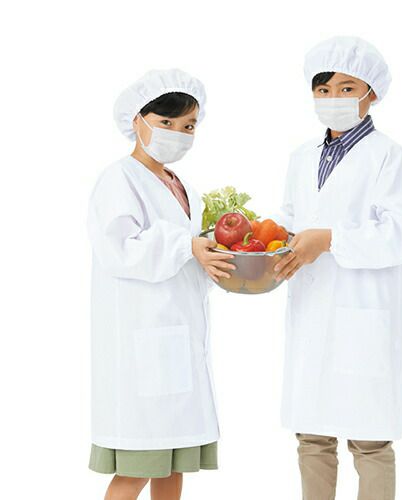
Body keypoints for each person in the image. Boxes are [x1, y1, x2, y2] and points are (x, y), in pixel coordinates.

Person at [272, 37, 402, 500]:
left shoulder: (390, 158)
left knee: (370, 439)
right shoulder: (301, 157)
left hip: (366, 315)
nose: (332, 98)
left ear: (371, 93)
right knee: (312, 436)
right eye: (323, 90)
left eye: (346, 88)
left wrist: (330, 240)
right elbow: (291, 218)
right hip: (313, 310)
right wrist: (272, 244)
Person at [87, 69, 235, 500]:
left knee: (173, 465)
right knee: (137, 467)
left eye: (188, 126)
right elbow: (119, 249)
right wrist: (187, 246)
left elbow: (188, 253)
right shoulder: (119, 178)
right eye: (166, 122)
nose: (177, 133)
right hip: (143, 342)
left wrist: (216, 256)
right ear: (137, 120)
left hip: (178, 338)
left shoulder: (178, 185)